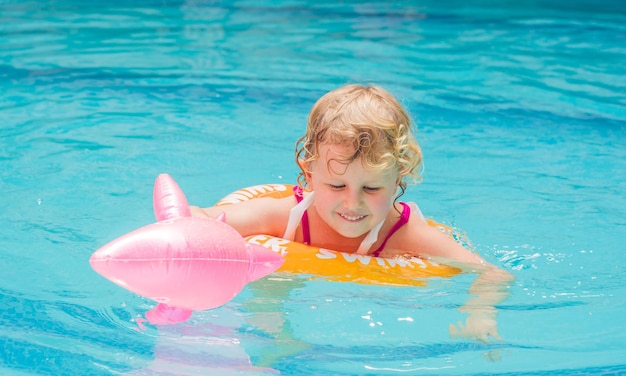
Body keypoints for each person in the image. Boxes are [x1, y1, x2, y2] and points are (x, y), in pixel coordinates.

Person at [191, 84, 513, 342]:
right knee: (269, 285)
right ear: (310, 173)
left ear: (398, 178)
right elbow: (206, 219)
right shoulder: (286, 215)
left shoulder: (403, 233)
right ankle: (276, 343)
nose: (352, 204)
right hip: (284, 305)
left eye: (371, 189)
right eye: (336, 186)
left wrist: (479, 312)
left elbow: (491, 272)